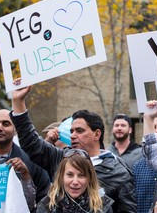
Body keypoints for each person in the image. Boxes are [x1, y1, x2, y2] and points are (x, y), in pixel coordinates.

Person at [10, 82, 137, 213]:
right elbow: (31, 143)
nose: (73, 136)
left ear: (97, 134)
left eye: (79, 131)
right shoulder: (60, 157)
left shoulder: (119, 173)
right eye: (71, 132)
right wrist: (19, 102)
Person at [0, 109, 50, 210]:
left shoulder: (32, 161)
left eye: (6, 124)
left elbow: (43, 201)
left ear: (15, 129)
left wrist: (26, 177)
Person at [37, 149, 114, 213]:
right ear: (61, 176)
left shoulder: (102, 207)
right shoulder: (47, 206)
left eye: (81, 175)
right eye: (70, 175)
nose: (75, 182)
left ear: (90, 178)